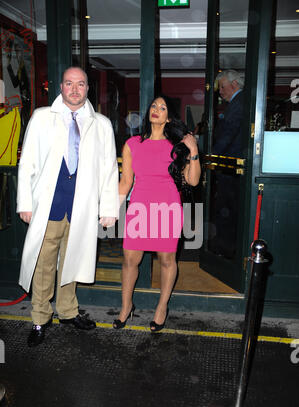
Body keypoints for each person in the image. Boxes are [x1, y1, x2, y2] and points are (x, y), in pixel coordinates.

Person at [17, 66, 119, 347]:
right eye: (69, 84)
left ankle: (68, 311)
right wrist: (25, 202)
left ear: (88, 88)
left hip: (82, 208)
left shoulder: (101, 124)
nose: (75, 90)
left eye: (81, 84)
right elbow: (27, 164)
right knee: (43, 264)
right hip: (48, 206)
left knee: (71, 262)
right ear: (60, 87)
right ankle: (40, 318)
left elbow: (109, 169)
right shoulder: (41, 118)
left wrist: (108, 207)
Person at [114, 95, 201, 332]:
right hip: (139, 207)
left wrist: (193, 151)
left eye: (162, 108)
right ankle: (126, 306)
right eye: (153, 105)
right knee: (130, 260)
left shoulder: (178, 146)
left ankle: (162, 307)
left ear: (169, 117)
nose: (156, 110)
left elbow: (192, 182)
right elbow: (125, 182)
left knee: (166, 261)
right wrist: (113, 210)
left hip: (167, 208)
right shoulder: (132, 143)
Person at [210, 70, 244, 258]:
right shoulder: (237, 103)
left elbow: (228, 135)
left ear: (235, 85)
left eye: (222, 87)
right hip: (231, 168)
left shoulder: (238, 104)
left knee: (227, 211)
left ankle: (226, 251)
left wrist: (213, 156)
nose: (220, 91)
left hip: (231, 169)